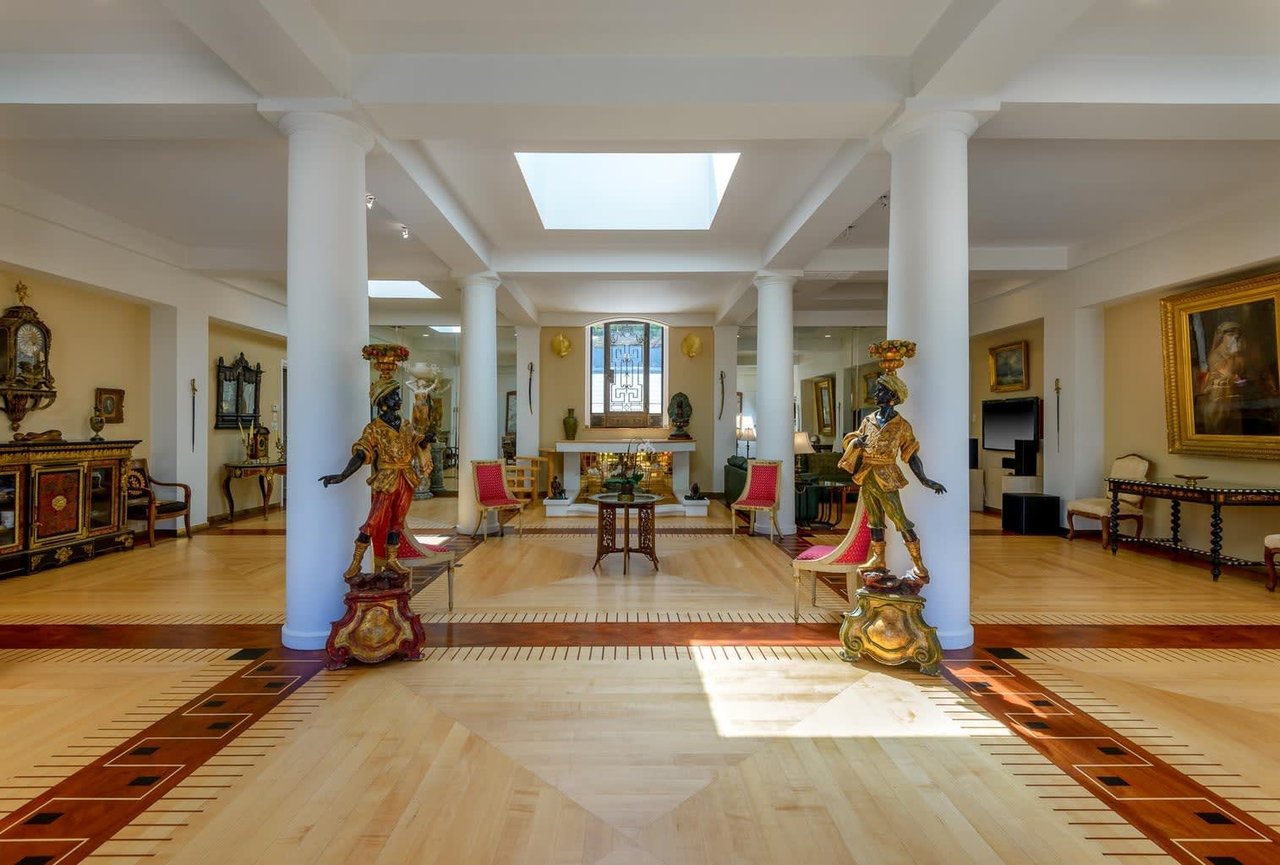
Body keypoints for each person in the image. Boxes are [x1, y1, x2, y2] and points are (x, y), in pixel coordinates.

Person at [837, 374, 945, 587]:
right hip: (867, 474)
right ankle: (878, 558)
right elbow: (852, 440)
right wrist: (856, 444)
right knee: (874, 519)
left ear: (893, 396)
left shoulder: (902, 426)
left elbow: (911, 455)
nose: (876, 393)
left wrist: (924, 479)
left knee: (899, 518)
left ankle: (918, 563)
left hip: (887, 475)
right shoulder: (868, 420)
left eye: (881, 390)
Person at [320, 379, 431, 581]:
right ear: (383, 403)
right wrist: (343, 475)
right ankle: (356, 563)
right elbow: (361, 453)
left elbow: (418, 440)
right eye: (394, 396)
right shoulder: (374, 429)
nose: (399, 399)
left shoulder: (405, 424)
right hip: (386, 480)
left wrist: (425, 440)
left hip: (406, 478)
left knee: (397, 522)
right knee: (373, 521)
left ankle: (392, 559)